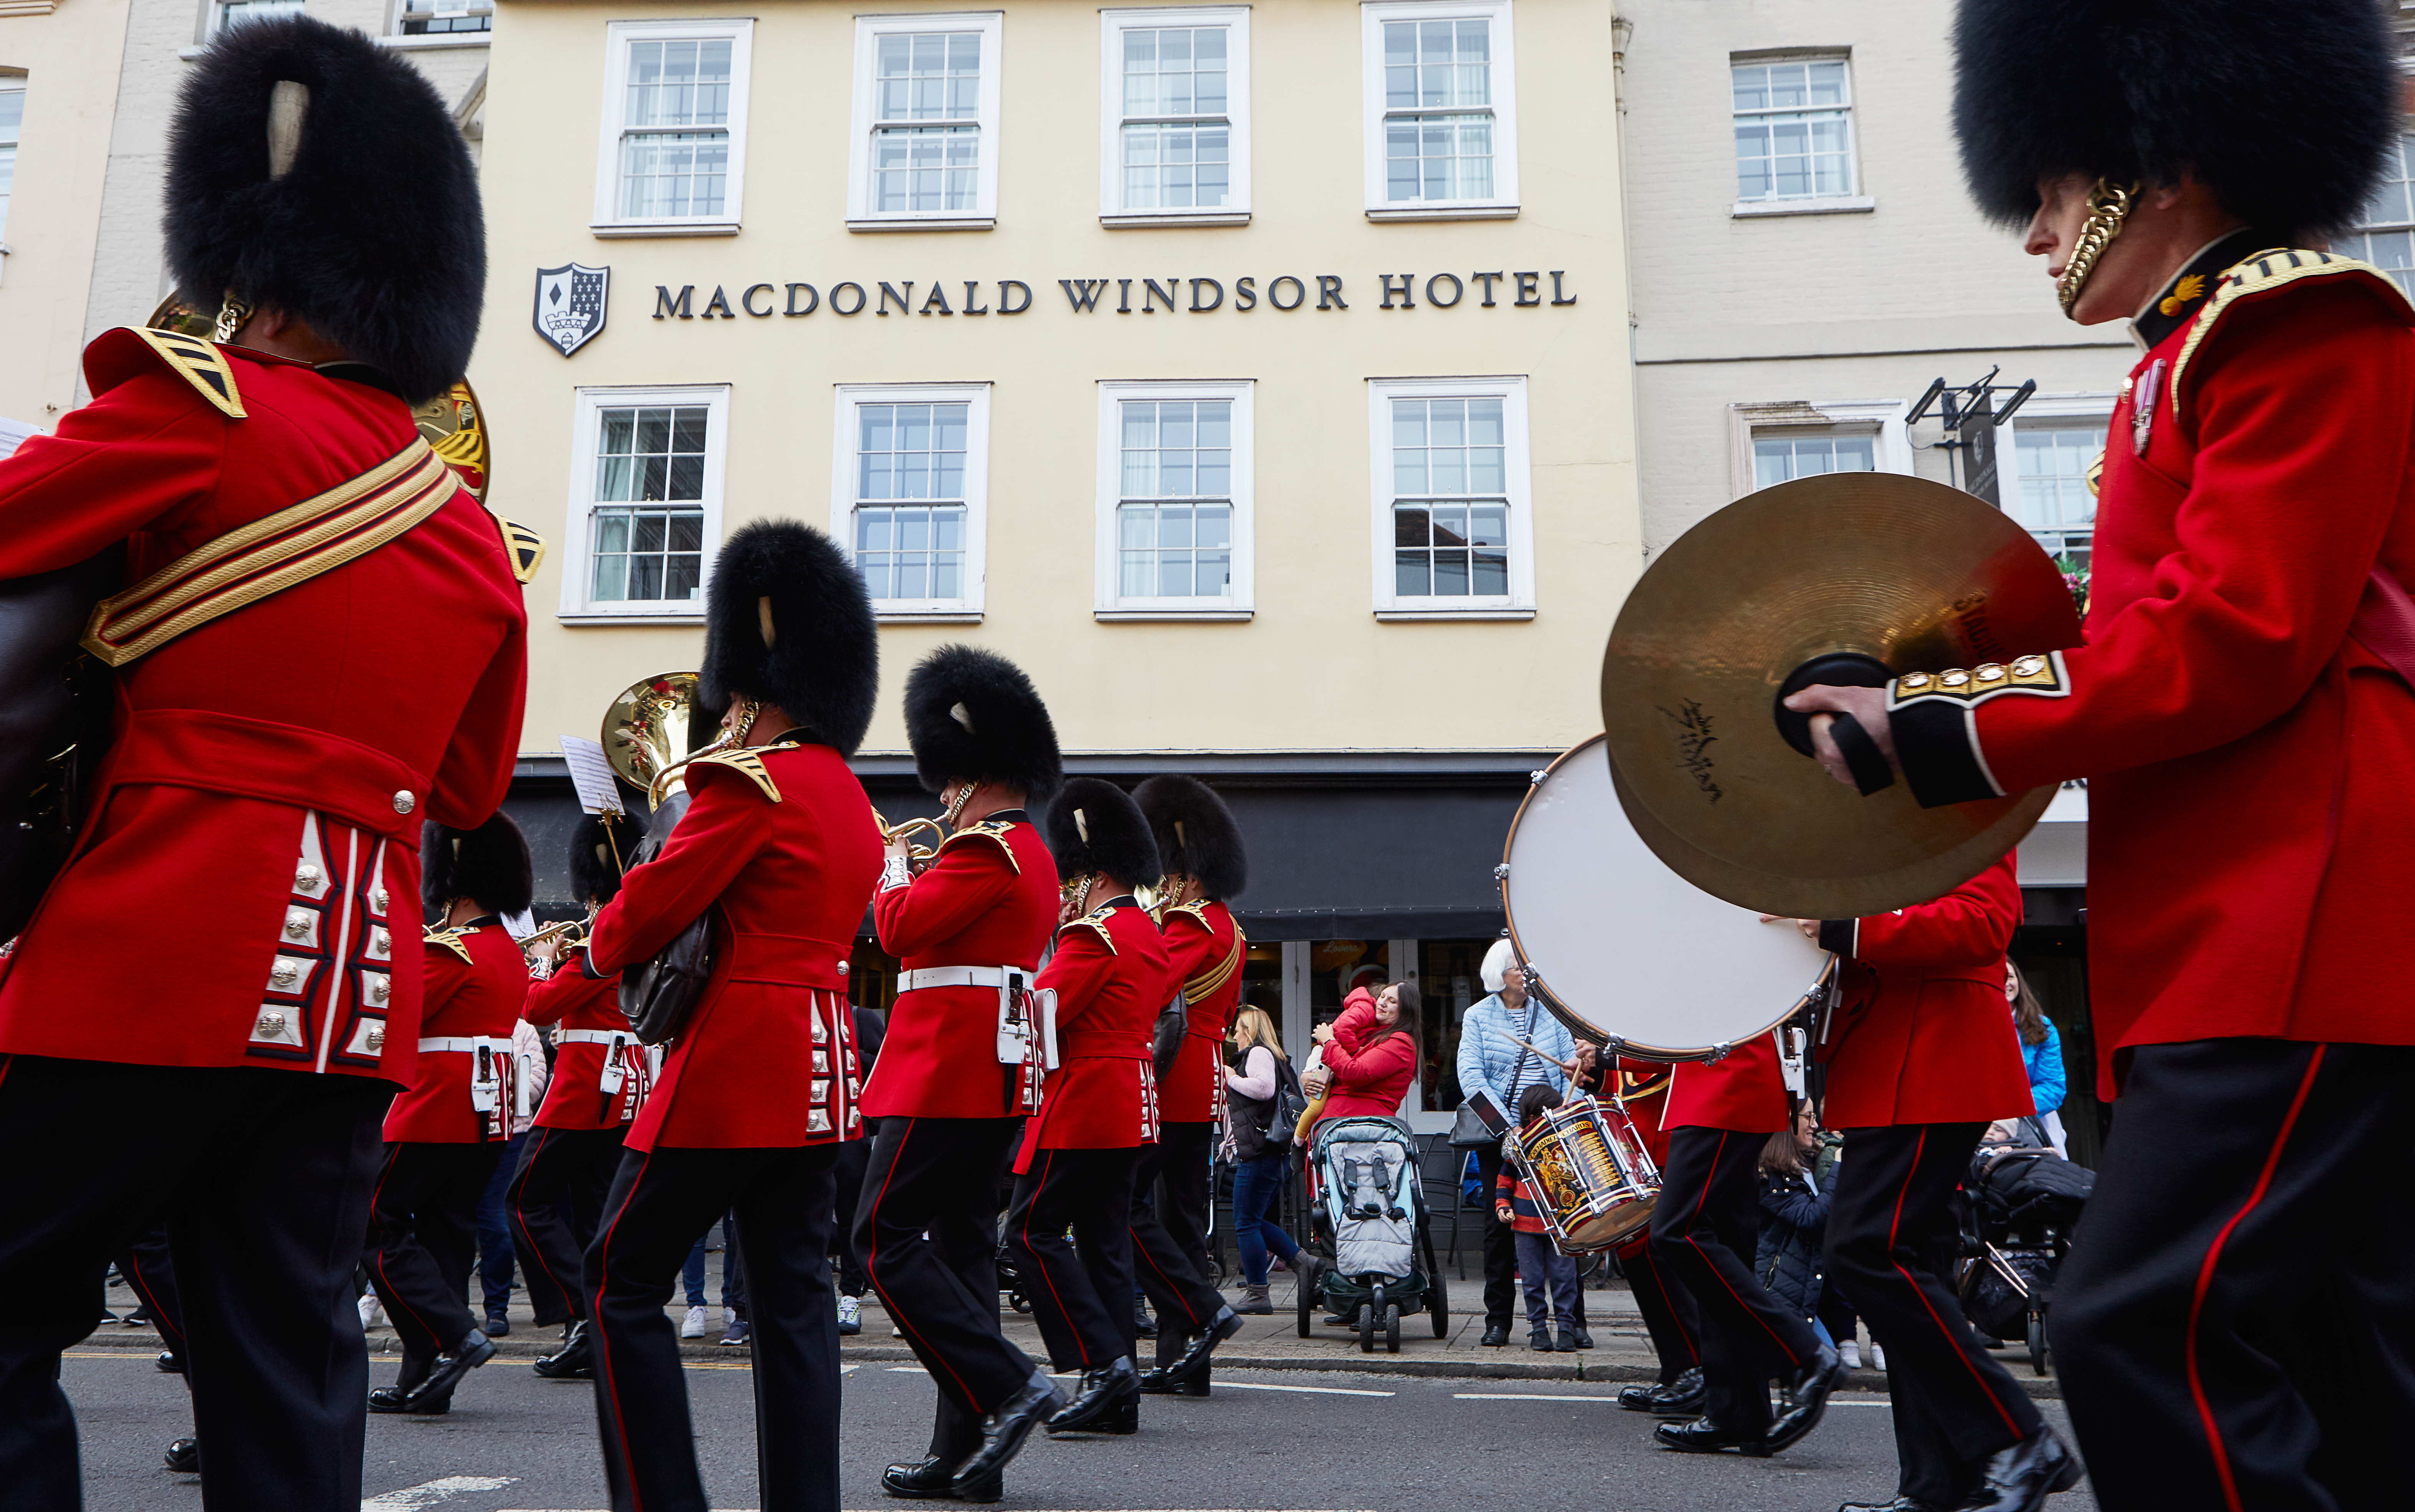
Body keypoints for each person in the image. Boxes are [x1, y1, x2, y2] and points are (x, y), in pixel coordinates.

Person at [1781, 6, 2415, 1508]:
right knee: (2337, 1353)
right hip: (2240, 920)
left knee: (2141, 1320)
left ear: (2160, 160)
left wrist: (1928, 724)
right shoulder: (2183, 361)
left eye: (2052, 191)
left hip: (2299, 912)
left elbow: (2232, 636)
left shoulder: (2296, 321)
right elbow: (2127, 634)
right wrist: (1906, 674)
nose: (2035, 233)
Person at [0, 17, 521, 1508]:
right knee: (286, 1373)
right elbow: (472, 786)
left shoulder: (199, 413)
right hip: (348, 999)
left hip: (157, 950)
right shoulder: (467, 529)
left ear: (255, 261)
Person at [580, 519, 884, 1512]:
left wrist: (598, 938)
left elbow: (649, 911)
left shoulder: (748, 782)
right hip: (818, 1076)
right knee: (794, 1303)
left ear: (750, 686)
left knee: (619, 1280)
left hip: (732, 1067)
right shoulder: (848, 798)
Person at [853, 644, 1067, 1503]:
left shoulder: (985, 850)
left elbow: (898, 929)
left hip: (945, 1067)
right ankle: (966, 1453)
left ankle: (1009, 1383)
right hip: (985, 1070)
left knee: (880, 1238)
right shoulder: (1027, 851)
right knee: (964, 1249)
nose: (940, 796)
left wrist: (890, 867)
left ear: (969, 775)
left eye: (948, 781)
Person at [1789, 854, 2052, 1512]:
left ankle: (2018, 1437)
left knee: (1864, 1249)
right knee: (1913, 1268)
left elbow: (1982, 921)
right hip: (1891, 1058)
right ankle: (1936, 1483)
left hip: (1934, 1052)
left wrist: (1845, 925)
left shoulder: (1953, 807)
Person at [1007, 778, 1167, 1442]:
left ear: (1094, 875)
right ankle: (1118, 1396)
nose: (1067, 891)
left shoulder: (1093, 935)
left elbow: (1032, 1016)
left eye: (1072, 878)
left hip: (1083, 1103)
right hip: (1129, 1105)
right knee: (1104, 1246)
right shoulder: (1143, 931)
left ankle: (1103, 1365)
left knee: (1029, 1233)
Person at [365, 814, 534, 1415]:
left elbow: (392, 1016)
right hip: (485, 1117)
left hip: (434, 1108)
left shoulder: (451, 950)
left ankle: (455, 1334)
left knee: (370, 1219)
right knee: (447, 1236)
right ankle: (428, 1374)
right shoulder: (507, 952)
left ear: (455, 886)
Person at [1647, 1018, 1842, 1458]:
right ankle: (1738, 1411)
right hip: (1729, 1077)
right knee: (1725, 1247)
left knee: (1676, 1232)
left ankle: (1803, 1353)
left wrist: (1611, 1054)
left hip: (1723, 1081)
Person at [511, 812, 654, 1383]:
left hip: (586, 1087)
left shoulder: (600, 938)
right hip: (622, 1090)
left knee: (525, 1200)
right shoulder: (637, 932)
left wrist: (542, 961)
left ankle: (582, 1314)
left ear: (591, 889)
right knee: (596, 1215)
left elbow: (537, 1007)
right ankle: (595, 1329)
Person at [1128, 775, 1250, 1394]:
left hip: (1171, 1079)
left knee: (1125, 1208)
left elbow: (1147, 987)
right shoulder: (1229, 926)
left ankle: (1200, 1311)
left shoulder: (1191, 923)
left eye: (1172, 874)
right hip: (1200, 1078)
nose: (1164, 884)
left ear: (1191, 876)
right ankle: (1184, 1365)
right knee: (1179, 1222)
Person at [1455, 939, 1577, 1347]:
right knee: (1498, 1226)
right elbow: (1472, 1078)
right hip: (1501, 1136)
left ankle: (1573, 1322)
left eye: (1527, 968)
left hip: (1551, 1134)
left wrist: (1562, 1121)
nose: (1525, 975)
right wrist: (1510, 1130)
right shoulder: (1477, 1016)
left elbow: (1571, 1073)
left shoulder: (1552, 1014)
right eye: (1517, 968)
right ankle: (1498, 1321)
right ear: (1498, 974)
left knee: (1567, 1219)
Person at [1604, 1058, 1705, 1416]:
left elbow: (1669, 1056)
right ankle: (1676, 1368)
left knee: (1662, 1256)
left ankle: (1696, 1370)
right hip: (1632, 1144)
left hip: (1668, 1141)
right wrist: (1595, 1072)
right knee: (1636, 1256)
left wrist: (1607, 1059)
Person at [1220, 1007, 1302, 1315]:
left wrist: (1231, 1078)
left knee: (1245, 1222)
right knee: (1252, 1219)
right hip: (1269, 1152)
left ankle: (1258, 1293)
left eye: (1239, 1029)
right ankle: (1304, 1263)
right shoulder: (1273, 1056)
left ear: (1250, 1030)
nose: (1235, 1035)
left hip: (1259, 1152)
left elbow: (1263, 1089)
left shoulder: (1257, 1053)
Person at [1495, 1085, 1581, 1352]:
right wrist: (1502, 1205)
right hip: (1525, 1224)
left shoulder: (1566, 1142)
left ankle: (1566, 1329)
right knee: (1531, 1281)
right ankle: (1539, 1329)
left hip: (1561, 1226)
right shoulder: (1518, 1147)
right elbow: (1504, 1181)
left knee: (1565, 1280)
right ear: (1533, 1117)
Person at [1753, 1108, 1832, 1344]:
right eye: (1808, 1117)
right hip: (1780, 1294)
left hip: (1806, 1291)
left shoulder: (1810, 1165)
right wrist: (1838, 1168)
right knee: (1821, 1358)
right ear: (1787, 1122)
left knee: (1827, 1359)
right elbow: (1812, 1219)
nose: (1815, 1125)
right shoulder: (1771, 1176)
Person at [829, 1000, 884, 1338]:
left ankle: (850, 1297)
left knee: (852, 1218)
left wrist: (844, 1054)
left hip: (850, 1131)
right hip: (806, 1133)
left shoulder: (860, 1018)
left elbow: (881, 1068)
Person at [1304, 981, 1419, 1136]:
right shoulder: (1371, 1032)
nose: (1383, 1003)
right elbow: (1342, 1068)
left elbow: (1355, 1073)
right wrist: (1309, 1078)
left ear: (1406, 1011)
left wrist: (1328, 1041)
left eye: (1392, 1001)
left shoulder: (1400, 1043)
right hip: (1341, 1128)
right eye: (1382, 996)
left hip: (1360, 1132)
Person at [2007, 963, 2067, 1158]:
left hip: (2034, 1120)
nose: (2006, 982)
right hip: (1983, 1125)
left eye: (2010, 976)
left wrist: (2011, 1110)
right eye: (1998, 977)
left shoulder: (2042, 1027)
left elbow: (2053, 1087)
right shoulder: (1970, 1025)